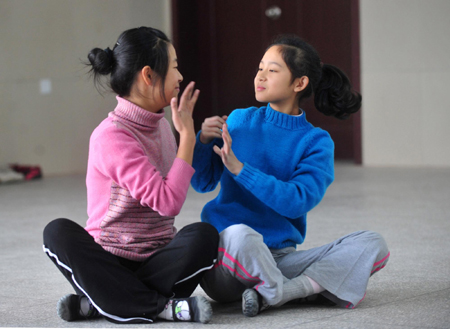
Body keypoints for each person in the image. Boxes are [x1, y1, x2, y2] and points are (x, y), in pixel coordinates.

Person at [191, 35, 390, 316]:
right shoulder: (239, 120)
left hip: (279, 260)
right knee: (241, 234)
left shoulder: (316, 142)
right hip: (227, 259)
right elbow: (202, 182)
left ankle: (280, 293)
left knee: (373, 243)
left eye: (272, 70)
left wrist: (242, 171)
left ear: (299, 83)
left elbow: (296, 201)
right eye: (260, 68)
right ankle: (288, 291)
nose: (260, 76)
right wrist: (201, 142)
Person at [42, 27, 219, 324]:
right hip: (110, 260)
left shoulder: (162, 125)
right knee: (57, 232)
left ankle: (102, 302)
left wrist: (191, 138)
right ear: (148, 75)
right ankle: (162, 307)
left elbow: (170, 201)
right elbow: (168, 202)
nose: (179, 77)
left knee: (204, 235)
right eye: (174, 67)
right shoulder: (111, 137)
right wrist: (187, 136)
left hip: (157, 258)